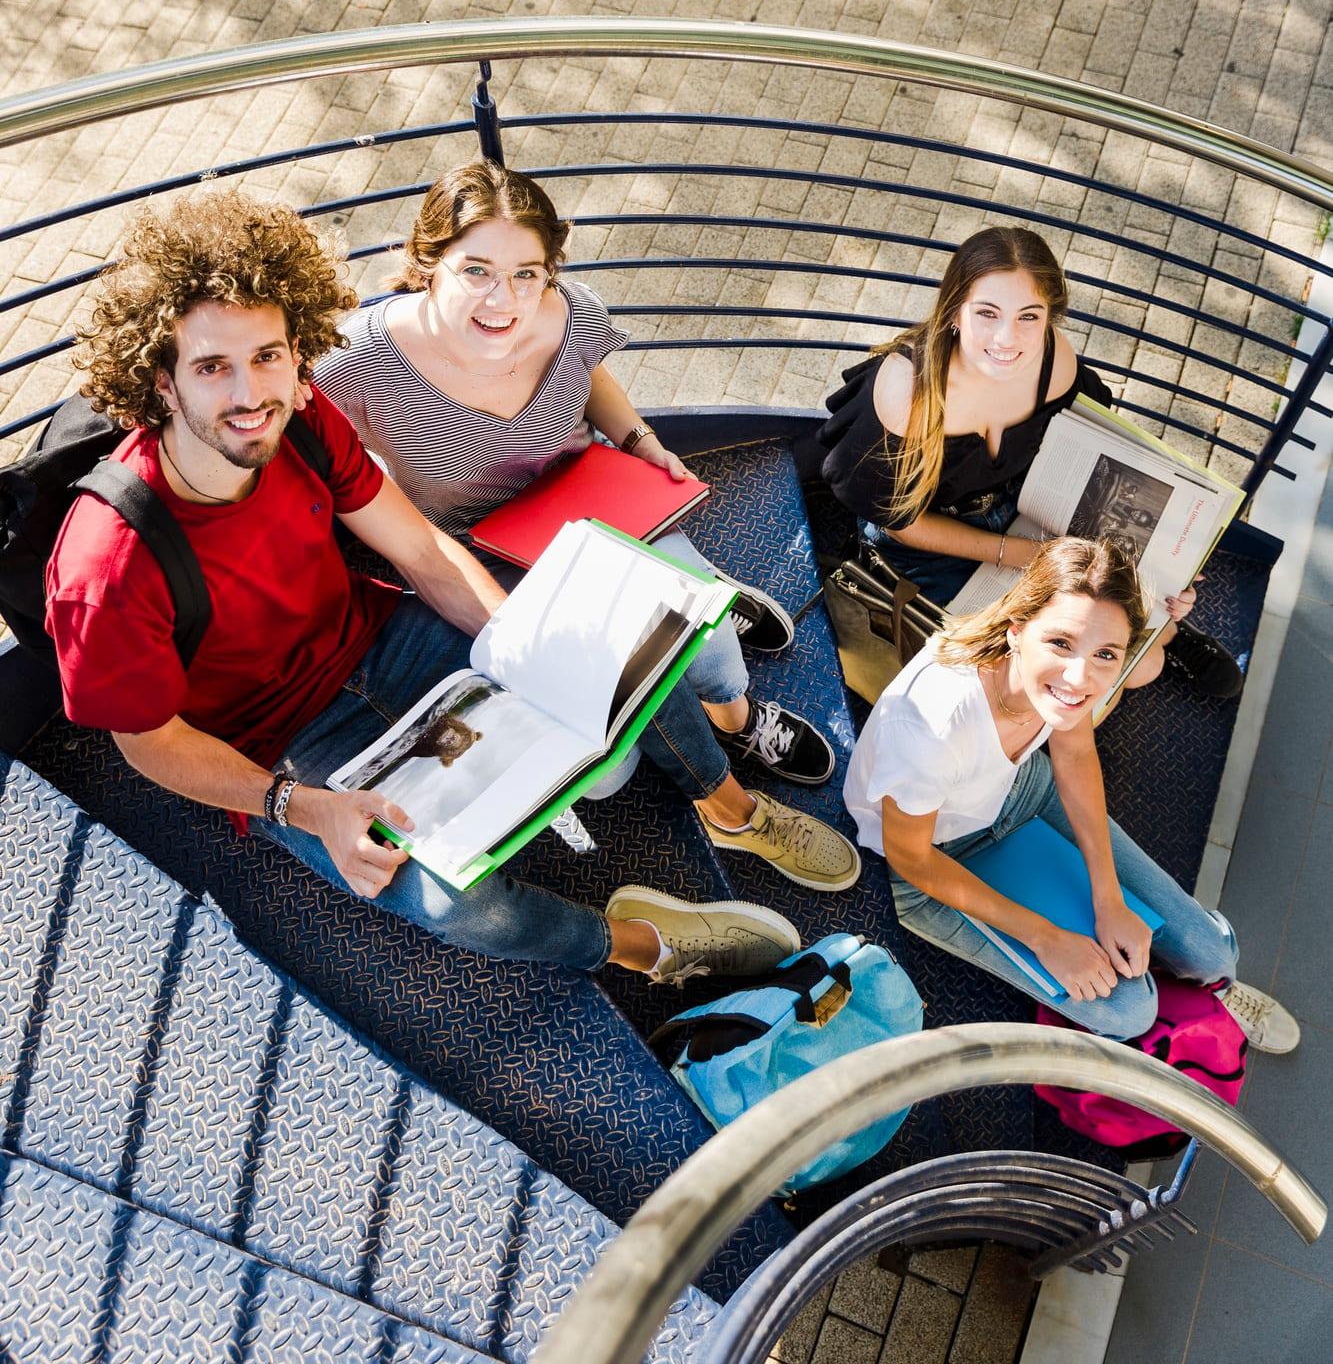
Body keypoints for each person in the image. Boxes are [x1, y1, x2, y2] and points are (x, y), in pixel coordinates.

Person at [46, 191, 862, 997]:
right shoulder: (105, 565)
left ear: (298, 357)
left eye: (269, 356)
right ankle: (638, 944)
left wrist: (529, 642)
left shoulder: (301, 416)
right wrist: (299, 806)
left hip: (378, 638)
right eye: (212, 366)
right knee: (449, 902)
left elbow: (419, 547)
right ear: (163, 382)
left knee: (608, 654)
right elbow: (148, 744)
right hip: (280, 744)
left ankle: (729, 807)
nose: (249, 393)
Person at [313, 160, 835, 787]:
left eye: (525, 274)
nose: (502, 301)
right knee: (613, 760)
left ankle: (739, 720)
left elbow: (587, 376)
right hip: (485, 550)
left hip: (594, 509)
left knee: (714, 654)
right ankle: (697, 589)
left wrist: (640, 441)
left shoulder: (567, 311)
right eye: (475, 270)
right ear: (429, 261)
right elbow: (339, 478)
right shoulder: (352, 364)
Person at [842, 537, 1298, 1050]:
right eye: (1061, 643)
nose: (1081, 677)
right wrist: (1047, 938)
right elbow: (912, 858)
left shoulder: (1061, 687)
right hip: (936, 858)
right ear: (1018, 630)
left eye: (1106, 654)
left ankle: (1197, 985)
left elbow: (1075, 756)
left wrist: (1108, 900)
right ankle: (1145, 996)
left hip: (1018, 792)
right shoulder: (931, 726)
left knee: (1210, 954)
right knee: (1131, 1011)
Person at [818, 223, 1241, 698]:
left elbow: (1102, 448)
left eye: (1029, 316)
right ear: (955, 311)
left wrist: (1168, 553)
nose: (1007, 340)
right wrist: (1020, 555)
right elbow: (901, 523)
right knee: (1093, 662)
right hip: (932, 539)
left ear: (1049, 318)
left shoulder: (1052, 361)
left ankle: (1164, 629)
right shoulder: (909, 395)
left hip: (1024, 500)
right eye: (987, 313)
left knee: (1139, 635)